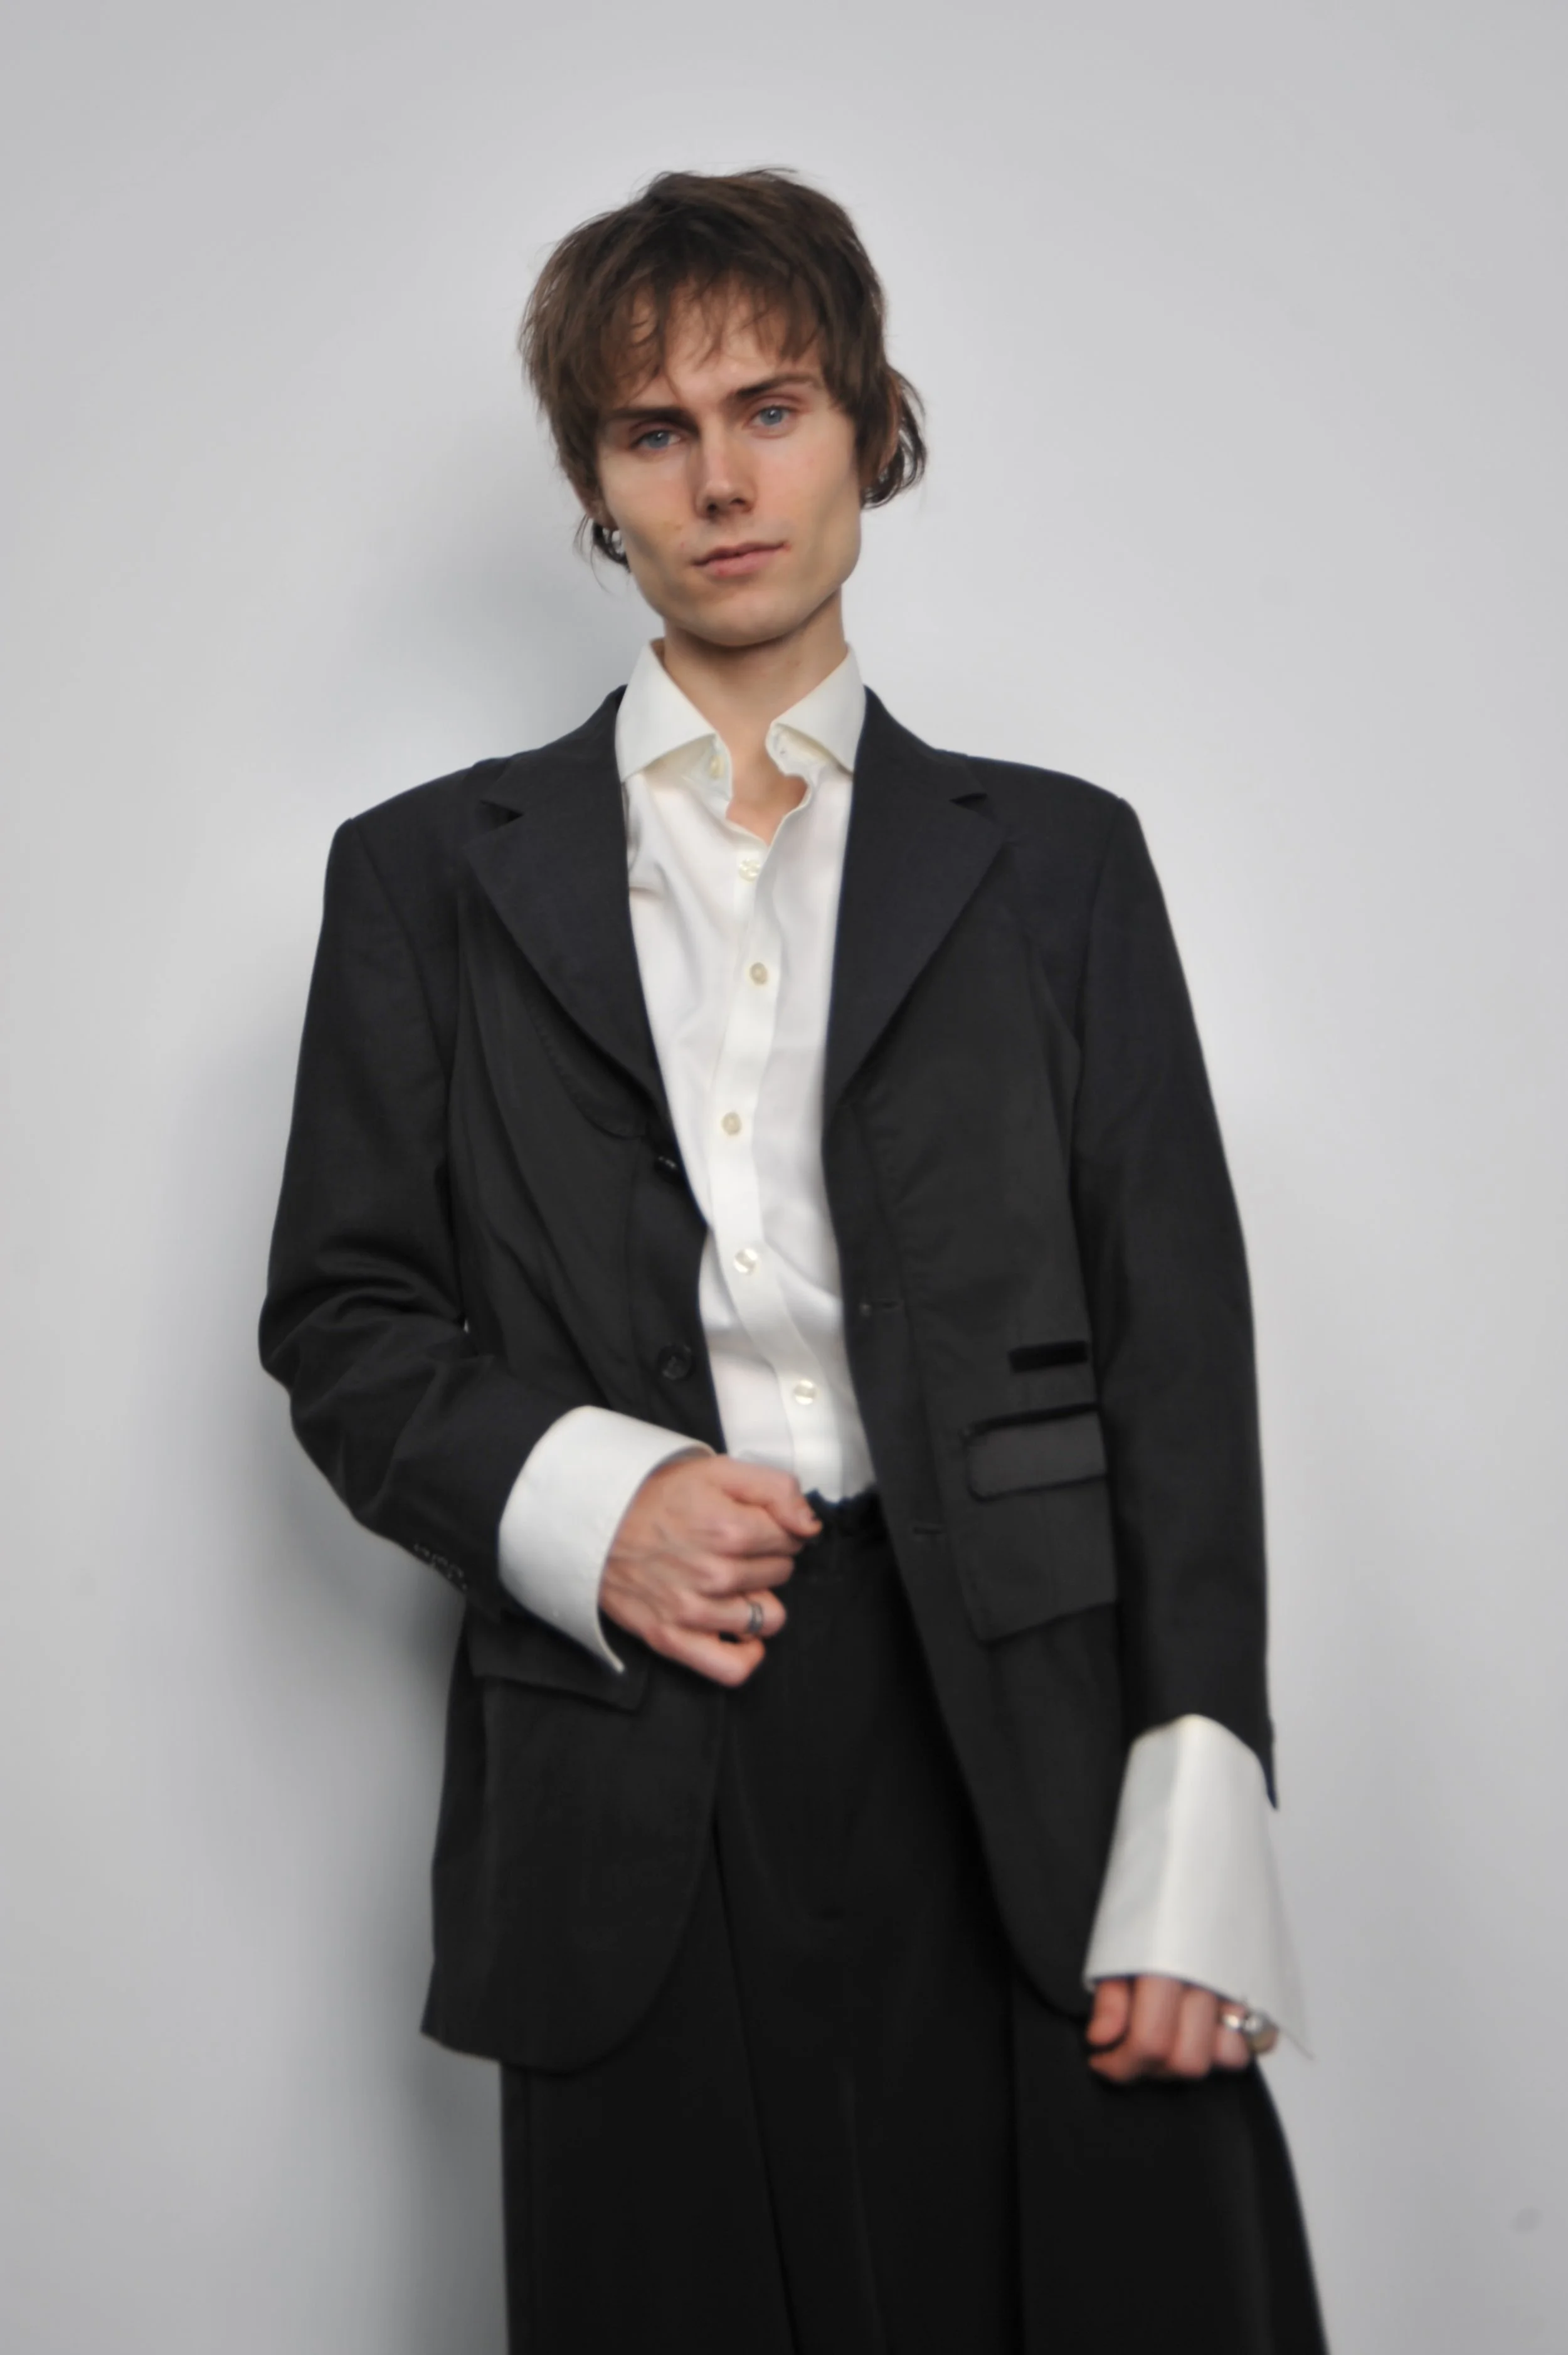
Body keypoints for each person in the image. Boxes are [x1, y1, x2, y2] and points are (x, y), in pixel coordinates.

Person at [261, 168, 1327, 2353]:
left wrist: (1199, 1806)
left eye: (776, 402)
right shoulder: (421, 883)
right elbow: (344, 1322)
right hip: (631, 1743)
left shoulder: (1054, 865)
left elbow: (1175, 1351)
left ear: (871, 430)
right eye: (657, 431)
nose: (725, 476)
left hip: (1017, 1736)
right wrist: (596, 1501)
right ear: (594, 484)